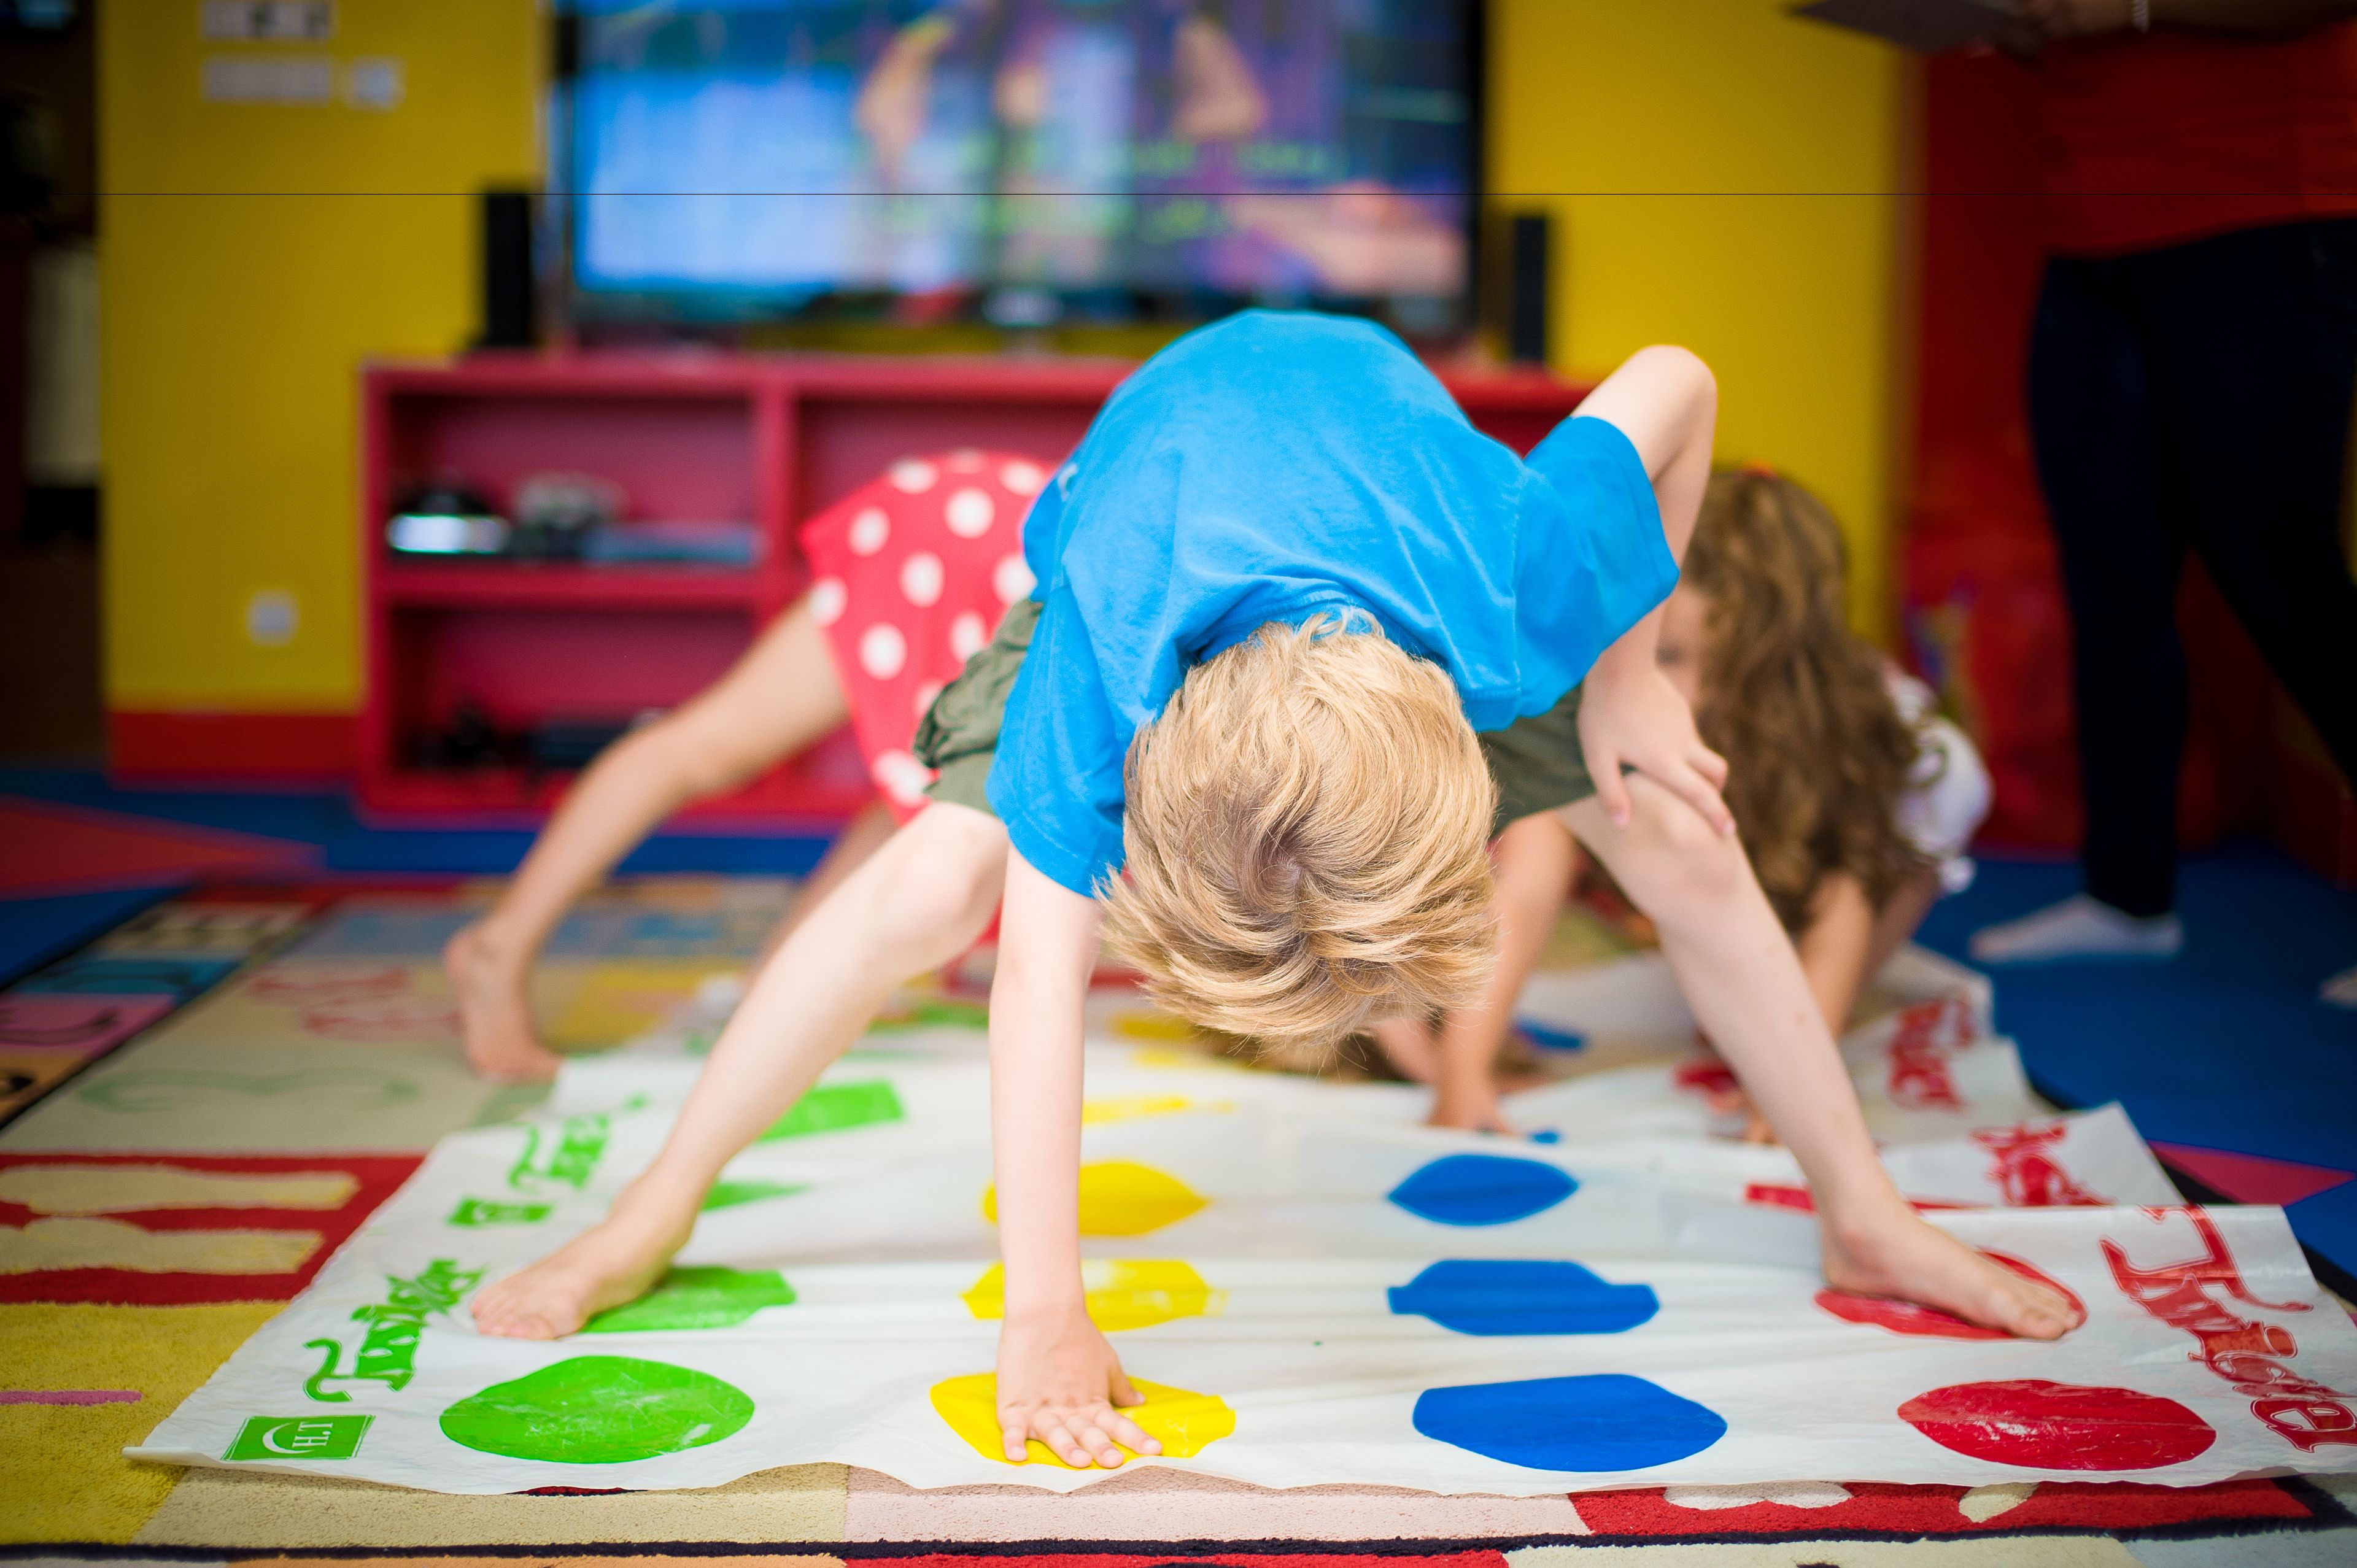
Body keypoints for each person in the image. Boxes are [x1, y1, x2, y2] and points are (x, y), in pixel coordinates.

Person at [470, 312, 2081, 1470]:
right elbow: (1040, 984)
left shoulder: (1519, 590)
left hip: (1404, 581)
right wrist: (1047, 1310)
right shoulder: (1103, 674)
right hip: (1162, 518)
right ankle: (651, 1206)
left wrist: (1627, 685)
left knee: (1674, 828)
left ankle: (1865, 1214)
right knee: (937, 881)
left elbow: (1679, 376)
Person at [1374, 469, 1992, 1136]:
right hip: (1737, 820)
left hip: (1871, 830)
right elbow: (1525, 884)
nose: (1640, 681)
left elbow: (1847, 898)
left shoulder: (1860, 739)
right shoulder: (1625, 697)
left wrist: (1794, 1093)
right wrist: (1463, 1072)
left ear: (1760, 665)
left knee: (1809, 977)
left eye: (1670, 656)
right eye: (1633, 652)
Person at [444, 449, 1050, 1083]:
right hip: (967, 540)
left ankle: (779, 979)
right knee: (709, 747)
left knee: (933, 791)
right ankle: (499, 946)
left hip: (998, 535)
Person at [1970, 0, 2357, 970]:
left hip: (2261, 202)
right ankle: (2128, 892)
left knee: (2279, 571)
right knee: (2108, 568)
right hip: (2092, 217)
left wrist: (2131, 3)